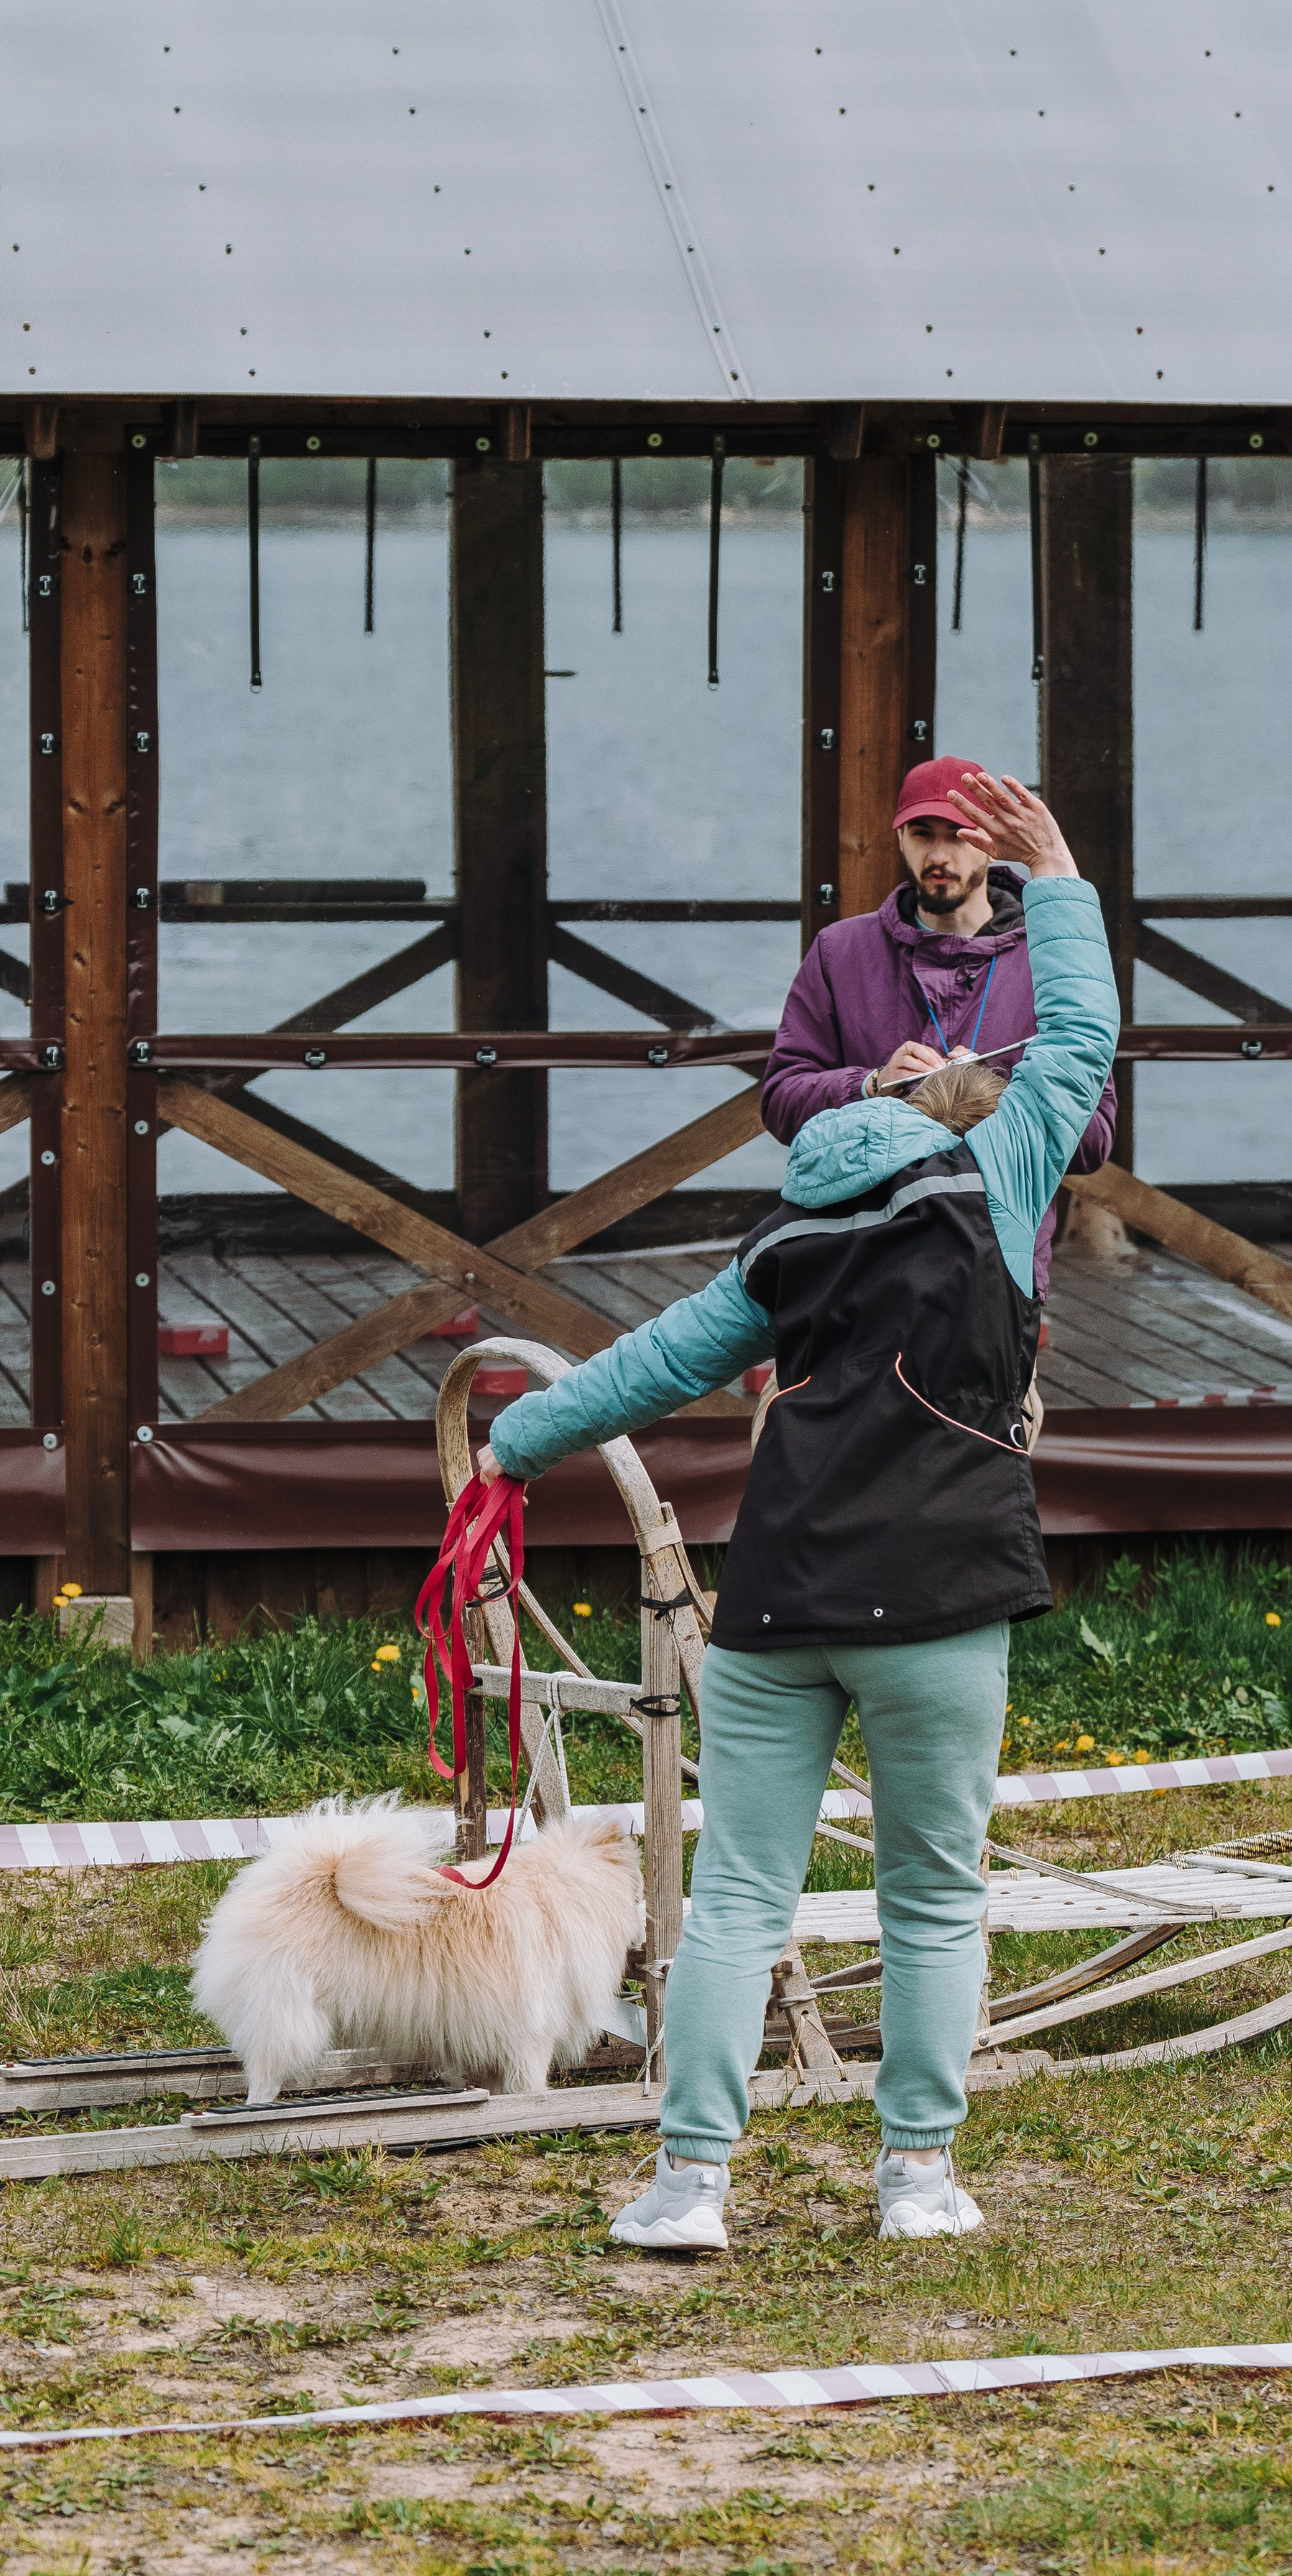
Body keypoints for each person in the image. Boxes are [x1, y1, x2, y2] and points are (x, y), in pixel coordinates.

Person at [476, 772, 1119, 2253]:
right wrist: (1060, 875)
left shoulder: (776, 1244)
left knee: (733, 1898)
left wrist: (509, 1444)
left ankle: (685, 2183)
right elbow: (1076, 1046)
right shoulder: (990, 1173)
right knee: (931, 1897)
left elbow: (629, 1370)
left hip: (778, 1597)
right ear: (938, 1117)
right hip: (943, 1592)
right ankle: (916, 2176)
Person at [761, 752, 1120, 1301]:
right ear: (899, 838)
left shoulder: (1047, 956)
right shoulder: (840, 951)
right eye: (922, 834)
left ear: (989, 841)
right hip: (849, 1268)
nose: (939, 854)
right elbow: (781, 1102)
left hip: (993, 1274)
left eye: (958, 835)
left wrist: (988, 1098)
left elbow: (1093, 1141)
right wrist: (871, 1084)